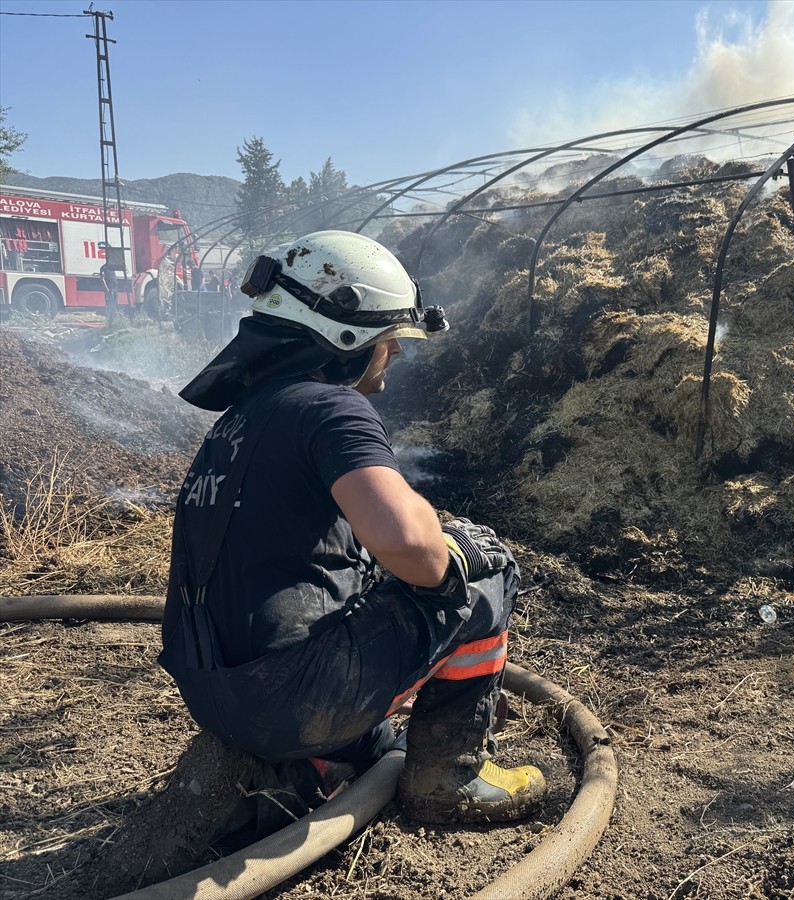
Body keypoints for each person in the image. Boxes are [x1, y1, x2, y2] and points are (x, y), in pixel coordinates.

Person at [159, 230, 545, 837]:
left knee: (362, 575)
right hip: (289, 701)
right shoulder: (331, 408)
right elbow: (410, 546)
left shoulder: (240, 420)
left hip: (213, 697)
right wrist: (451, 550)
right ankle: (450, 779)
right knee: (485, 568)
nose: (394, 356)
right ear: (346, 338)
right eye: (388, 341)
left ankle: (318, 766)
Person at [99, 258, 120, 325]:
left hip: (115, 289)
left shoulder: (112, 267)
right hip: (110, 290)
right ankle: (109, 323)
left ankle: (115, 321)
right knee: (110, 306)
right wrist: (107, 290)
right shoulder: (104, 268)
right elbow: (102, 279)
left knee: (115, 306)